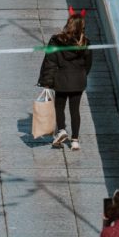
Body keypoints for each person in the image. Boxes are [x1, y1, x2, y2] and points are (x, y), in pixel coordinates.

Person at [37, 13, 93, 149]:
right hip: (78, 81)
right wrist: (82, 75)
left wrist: (46, 81)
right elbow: (88, 63)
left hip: (61, 80)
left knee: (59, 107)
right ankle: (75, 140)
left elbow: (50, 62)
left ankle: (61, 130)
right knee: (75, 110)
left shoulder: (56, 40)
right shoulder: (85, 42)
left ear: (68, 24)